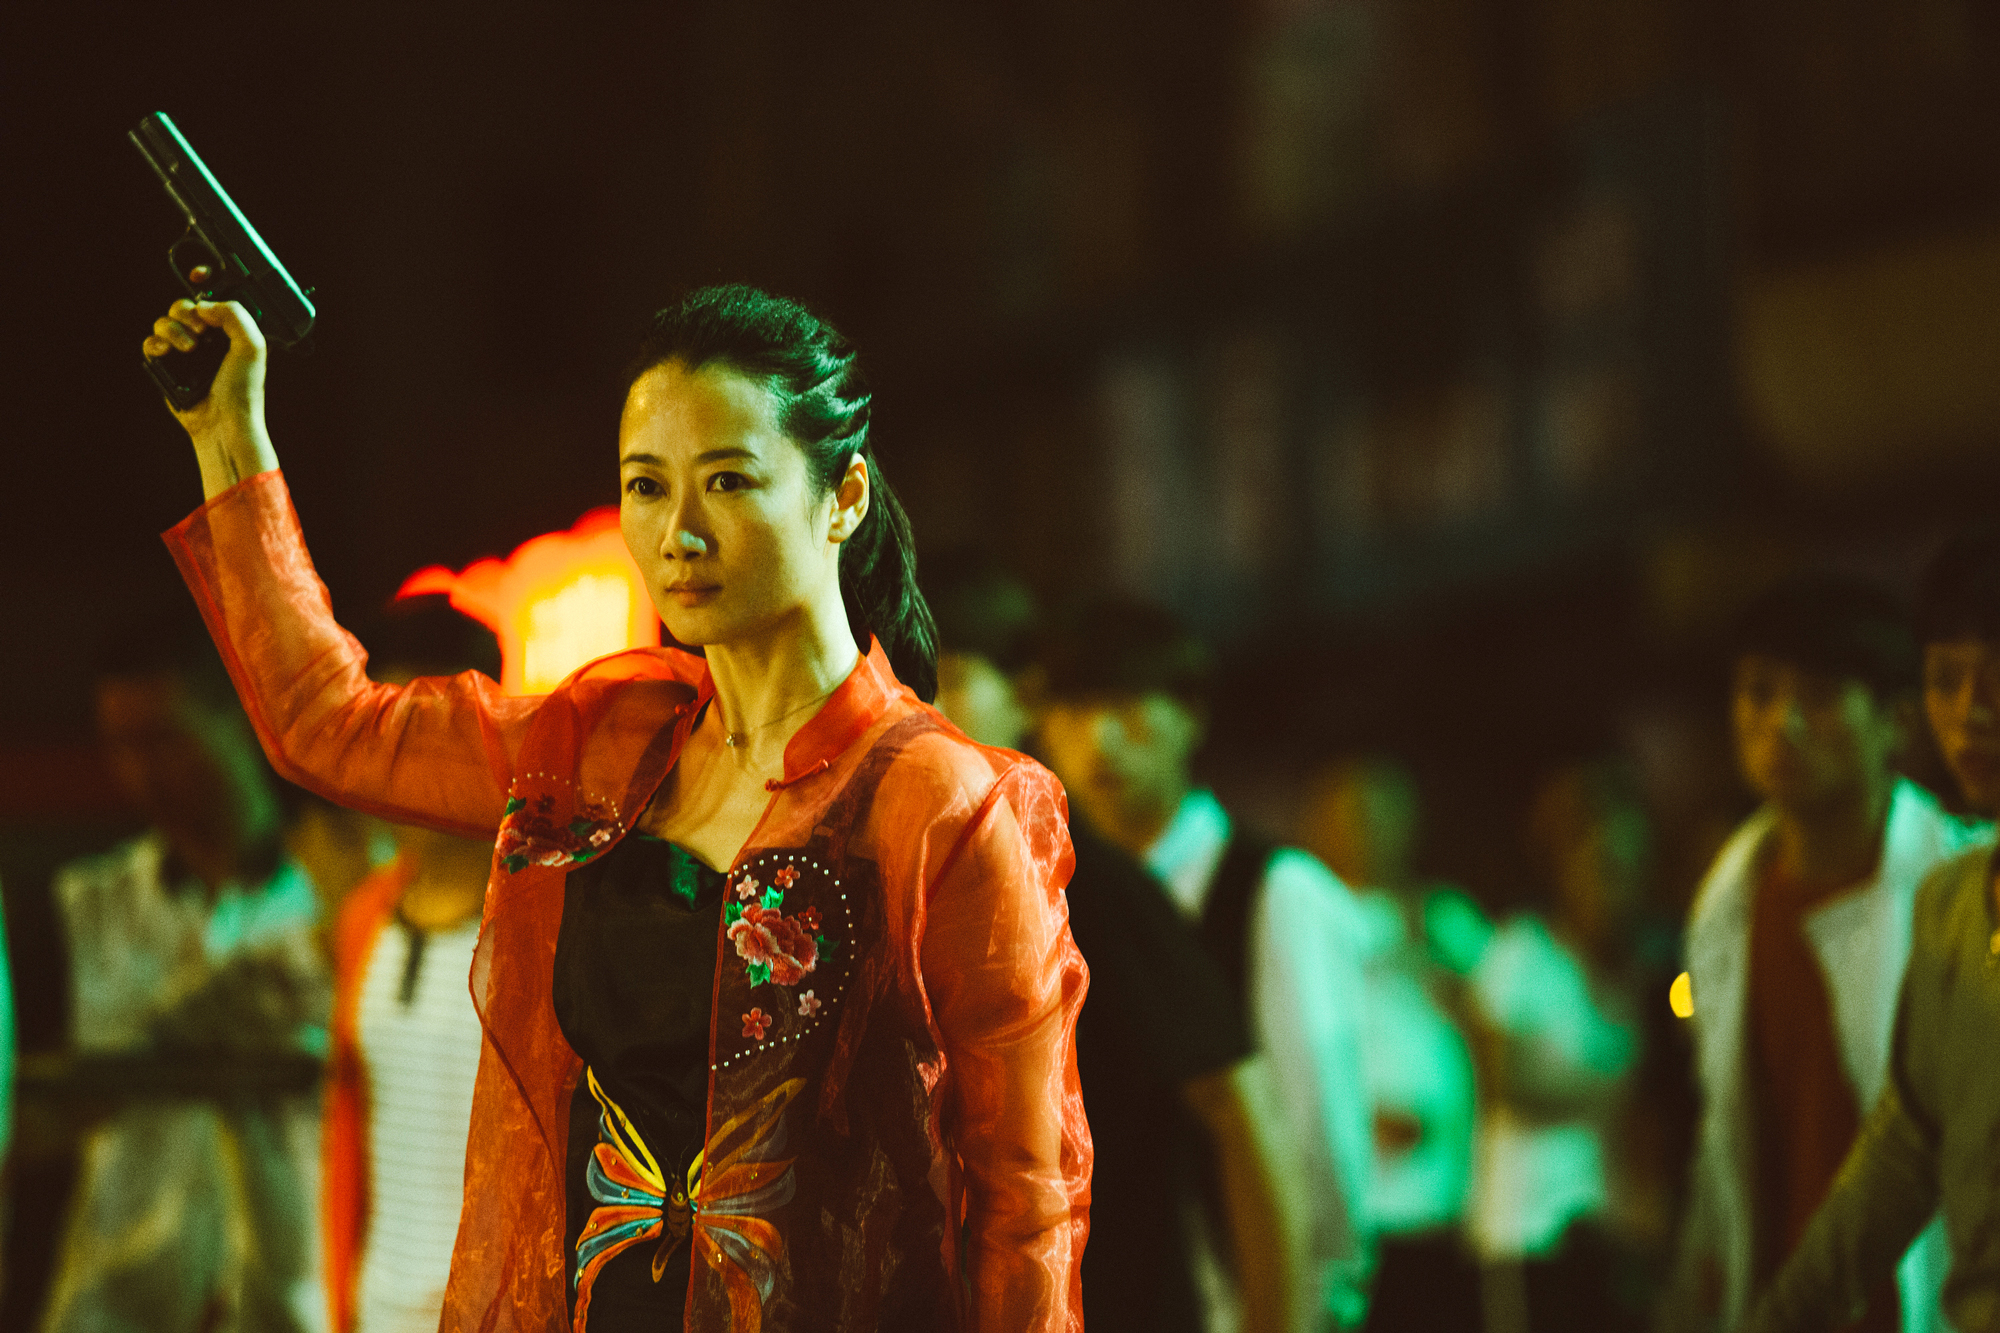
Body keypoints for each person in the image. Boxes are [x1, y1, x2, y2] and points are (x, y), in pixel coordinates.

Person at [142, 283, 1089, 1332]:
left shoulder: (932, 799)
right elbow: (327, 725)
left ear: (844, 495)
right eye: (647, 485)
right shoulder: (600, 748)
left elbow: (1026, 1199)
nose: (678, 531)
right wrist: (229, 430)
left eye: (727, 480)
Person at [927, 555, 1309, 1333]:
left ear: (1026, 696)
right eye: (905, 682)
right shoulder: (927, 879)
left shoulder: (1082, 879)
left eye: (955, 678)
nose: (927, 710)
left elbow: (1245, 1115)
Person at [1035, 595, 1372, 1330]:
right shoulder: (1063, 896)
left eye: (1128, 708)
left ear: (1190, 717)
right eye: (1074, 710)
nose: (1101, 741)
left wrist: (1306, 1308)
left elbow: (1319, 1135)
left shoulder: (1274, 890)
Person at [1670, 573, 1986, 1333]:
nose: (1782, 723)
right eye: (1759, 692)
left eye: (1816, 696)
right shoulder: (1727, 903)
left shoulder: (1961, 887)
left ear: (1896, 720)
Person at [42, 616, 330, 1333]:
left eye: (165, 738)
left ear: (243, 715)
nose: (141, 773)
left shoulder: (332, 899)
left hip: (290, 1296)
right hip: (126, 1296)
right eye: (121, 746)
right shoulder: (87, 906)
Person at [322, 604, 504, 1333]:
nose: (396, 765)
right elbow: (347, 1135)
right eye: (379, 735)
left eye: (418, 736)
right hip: (377, 1307)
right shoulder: (366, 915)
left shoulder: (536, 912)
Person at [1296, 757, 1480, 1333]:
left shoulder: (1445, 919)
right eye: (1353, 813)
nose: (1369, 828)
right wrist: (1356, 1115)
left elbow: (1506, 1036)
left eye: (1384, 812)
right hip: (1351, 1214)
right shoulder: (1307, 918)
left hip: (1445, 1207)